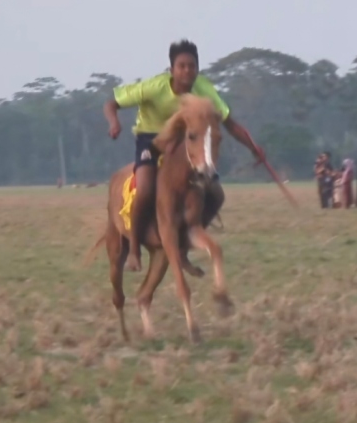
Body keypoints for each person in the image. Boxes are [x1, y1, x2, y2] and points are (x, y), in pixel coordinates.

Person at [104, 39, 265, 273]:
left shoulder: (205, 89)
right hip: (151, 139)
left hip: (184, 142)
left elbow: (229, 123)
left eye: (192, 66)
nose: (187, 70)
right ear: (172, 69)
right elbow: (111, 104)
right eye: (182, 66)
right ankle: (135, 249)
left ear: (197, 69)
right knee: (146, 187)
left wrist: (253, 147)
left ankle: (185, 243)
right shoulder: (154, 87)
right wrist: (114, 122)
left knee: (216, 194)